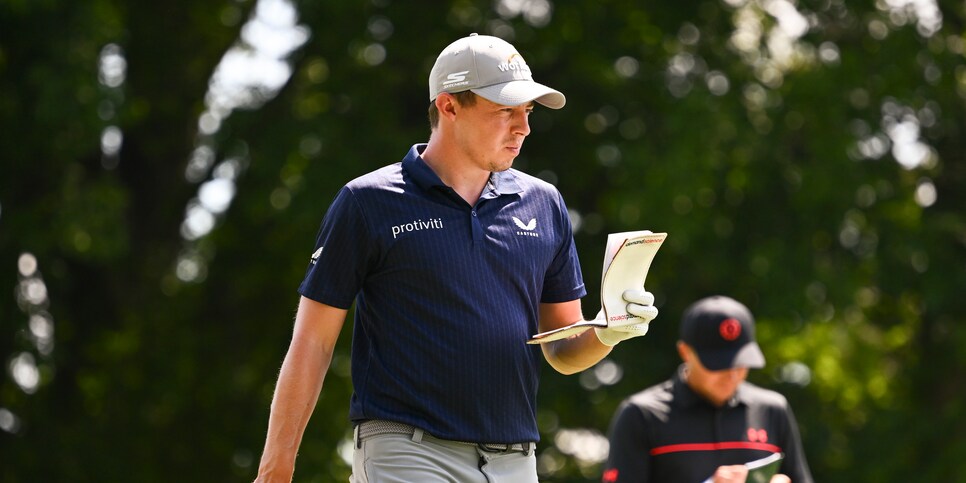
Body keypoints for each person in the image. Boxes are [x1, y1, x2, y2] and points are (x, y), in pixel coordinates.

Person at [253, 33, 660, 483]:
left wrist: (609, 330)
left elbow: (561, 350)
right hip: (408, 450)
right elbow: (313, 342)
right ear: (448, 107)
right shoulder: (368, 202)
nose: (523, 127)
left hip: (515, 460)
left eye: (526, 112)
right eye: (505, 110)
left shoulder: (544, 204)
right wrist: (277, 466)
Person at [601, 295, 813, 483]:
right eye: (718, 363)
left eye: (740, 363)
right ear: (685, 352)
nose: (732, 375)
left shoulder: (773, 409)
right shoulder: (641, 415)